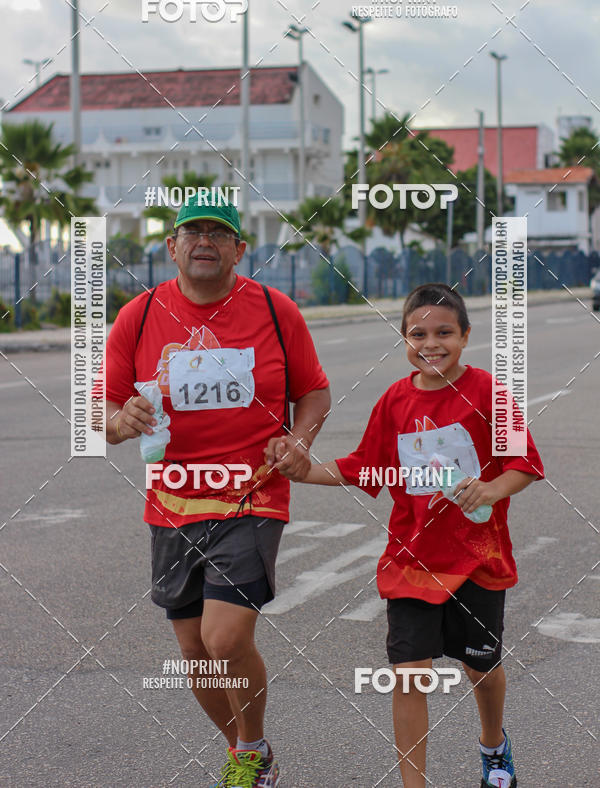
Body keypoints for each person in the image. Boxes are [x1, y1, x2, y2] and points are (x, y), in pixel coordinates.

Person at [272, 282, 544, 788]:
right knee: (409, 672)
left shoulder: (488, 392)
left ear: (465, 336)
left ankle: (493, 746)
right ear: (404, 340)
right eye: (418, 334)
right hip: (412, 560)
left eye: (444, 332)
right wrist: (303, 470)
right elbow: (364, 465)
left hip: (477, 560)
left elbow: (524, 465)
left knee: (481, 668)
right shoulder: (395, 400)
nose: (431, 343)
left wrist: (488, 489)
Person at [104, 193, 330, 788]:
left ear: (239, 248)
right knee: (196, 657)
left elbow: (314, 392)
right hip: (172, 497)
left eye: (219, 232)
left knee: (224, 636)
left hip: (251, 493)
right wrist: (118, 421)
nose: (205, 240)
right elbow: (99, 408)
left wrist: (299, 440)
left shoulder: (277, 311)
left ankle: (250, 747)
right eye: (192, 231)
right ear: (171, 246)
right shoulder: (139, 315)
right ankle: (247, 755)